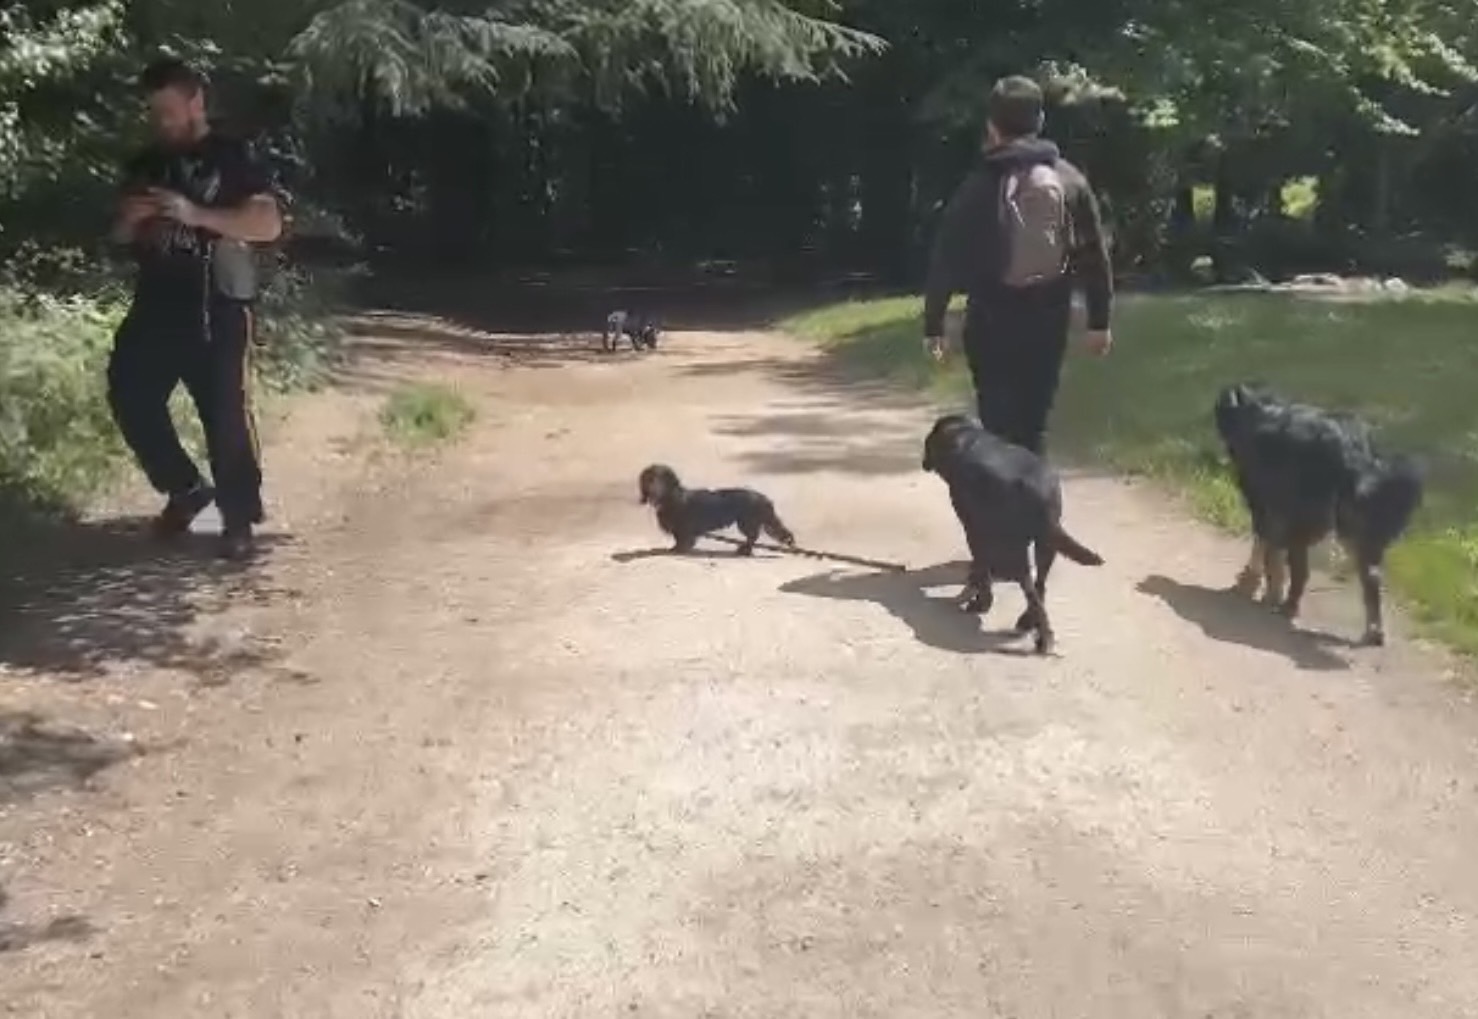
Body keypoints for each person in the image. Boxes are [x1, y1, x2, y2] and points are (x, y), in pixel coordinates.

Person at [108, 57, 284, 560]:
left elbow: (268, 224)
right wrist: (131, 217)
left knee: (225, 411)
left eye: (169, 111)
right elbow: (118, 236)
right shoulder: (146, 163)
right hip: (157, 301)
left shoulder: (235, 156)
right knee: (129, 391)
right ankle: (185, 489)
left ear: (195, 102)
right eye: (154, 113)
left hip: (219, 302)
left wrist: (196, 214)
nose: (162, 122)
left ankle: (238, 517)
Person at [922, 75, 1113, 456]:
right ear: (1040, 121)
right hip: (1048, 318)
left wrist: (934, 326)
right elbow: (1095, 255)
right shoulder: (1069, 179)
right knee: (1034, 424)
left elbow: (946, 257)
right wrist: (1099, 322)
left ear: (991, 126)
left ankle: (1001, 504)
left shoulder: (979, 185)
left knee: (997, 423)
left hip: (991, 320)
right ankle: (1036, 503)